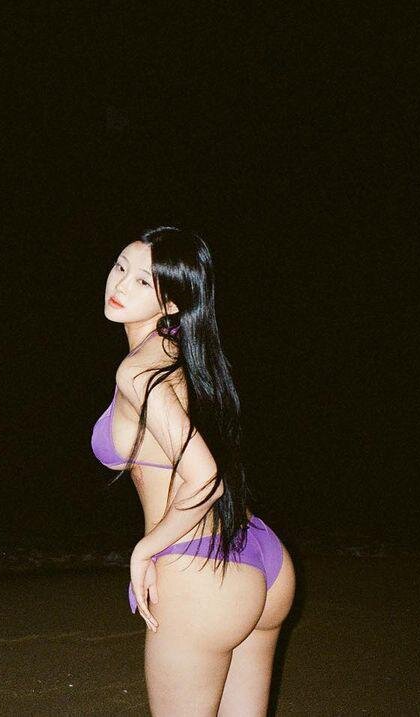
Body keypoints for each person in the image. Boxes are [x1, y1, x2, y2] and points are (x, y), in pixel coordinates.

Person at [90, 226, 296, 715]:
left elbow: (205, 477)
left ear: (172, 303)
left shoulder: (137, 372)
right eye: (121, 267)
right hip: (260, 552)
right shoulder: (187, 355)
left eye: (144, 281)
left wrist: (145, 549)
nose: (120, 284)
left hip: (198, 571)